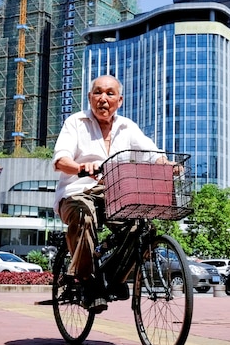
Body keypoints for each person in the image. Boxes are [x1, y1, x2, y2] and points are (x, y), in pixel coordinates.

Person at [53, 74, 163, 313]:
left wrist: (167, 163)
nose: (103, 99)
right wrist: (82, 168)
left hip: (116, 195)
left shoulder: (127, 127)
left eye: (110, 93)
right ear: (90, 97)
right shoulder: (76, 122)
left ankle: (115, 279)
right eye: (98, 93)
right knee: (85, 215)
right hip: (77, 192)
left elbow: (152, 152)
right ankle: (88, 282)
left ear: (119, 100)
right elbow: (61, 160)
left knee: (143, 228)